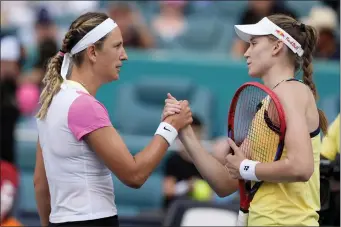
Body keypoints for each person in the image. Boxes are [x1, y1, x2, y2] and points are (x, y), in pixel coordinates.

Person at [163, 14, 328, 226]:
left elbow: (301, 167)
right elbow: (224, 184)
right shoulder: (270, 104)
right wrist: (185, 132)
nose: (246, 52)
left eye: (253, 43)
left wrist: (246, 168)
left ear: (277, 47)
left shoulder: (291, 91)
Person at [33, 12, 192, 227]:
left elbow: (40, 184)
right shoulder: (84, 106)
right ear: (92, 53)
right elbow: (134, 175)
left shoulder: (51, 102)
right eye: (117, 46)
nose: (124, 55)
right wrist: (170, 126)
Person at [163, 115, 203, 209]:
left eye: (196, 133)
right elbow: (168, 190)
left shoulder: (206, 163)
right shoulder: (173, 160)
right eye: (189, 134)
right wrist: (187, 186)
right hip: (174, 209)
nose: (193, 138)